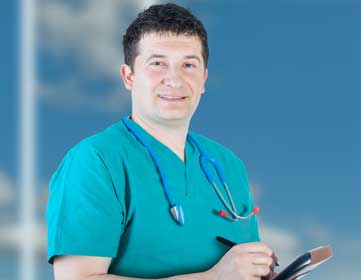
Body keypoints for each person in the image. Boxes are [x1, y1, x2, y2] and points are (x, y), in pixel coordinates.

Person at [46, 3, 277, 280]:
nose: (174, 79)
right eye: (157, 63)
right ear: (128, 76)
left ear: (203, 79)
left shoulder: (228, 165)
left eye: (189, 65)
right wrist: (212, 278)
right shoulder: (95, 162)